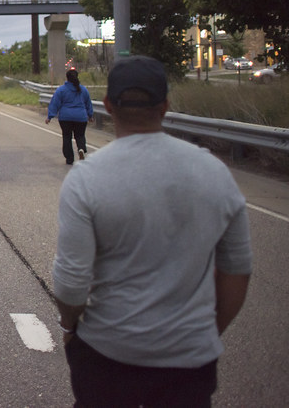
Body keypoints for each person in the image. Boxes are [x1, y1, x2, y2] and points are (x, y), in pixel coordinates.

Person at [53, 55, 252, 406]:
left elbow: (71, 285)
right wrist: (204, 334)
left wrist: (70, 328)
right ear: (165, 106)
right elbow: (237, 270)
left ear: (109, 105)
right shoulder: (215, 173)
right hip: (190, 361)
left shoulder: (86, 178)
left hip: (107, 354)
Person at [45, 69, 95, 165]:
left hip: (65, 117)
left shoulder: (61, 90)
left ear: (67, 78)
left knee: (67, 137)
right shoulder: (83, 90)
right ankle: (81, 149)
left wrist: (50, 116)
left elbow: (55, 103)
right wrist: (90, 115)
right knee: (80, 135)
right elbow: (88, 103)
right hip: (81, 117)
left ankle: (69, 158)